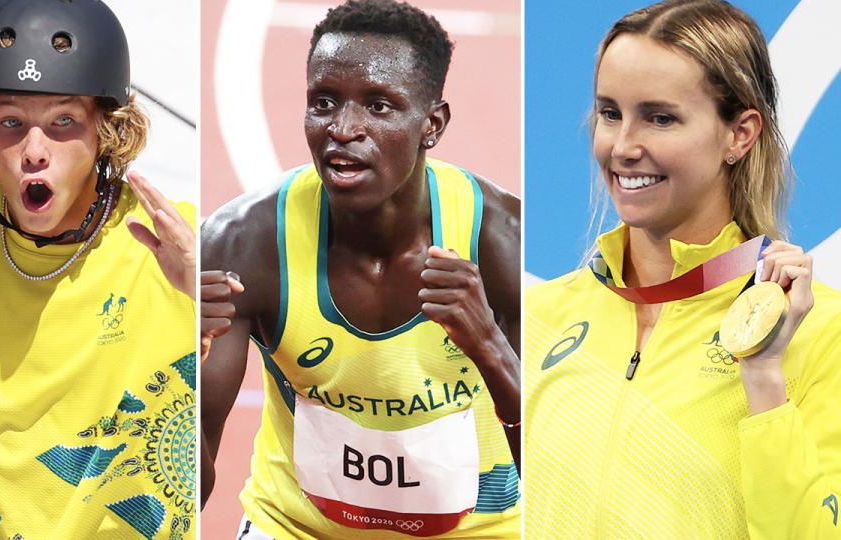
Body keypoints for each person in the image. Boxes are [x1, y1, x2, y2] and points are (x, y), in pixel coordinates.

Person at [198, 0, 520, 537]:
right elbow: (186, 487)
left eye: (379, 106)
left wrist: (490, 346)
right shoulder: (242, 244)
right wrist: (168, 368)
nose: (343, 129)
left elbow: (561, 476)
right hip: (297, 527)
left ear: (431, 125)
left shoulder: (501, 242)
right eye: (323, 102)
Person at [525, 0, 841, 537]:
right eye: (610, 113)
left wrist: (764, 378)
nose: (623, 146)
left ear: (739, 134)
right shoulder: (537, 317)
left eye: (660, 117)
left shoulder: (821, 332)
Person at [0, 0, 197, 537]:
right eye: (10, 122)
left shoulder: (175, 245)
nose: (35, 151)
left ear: (106, 129)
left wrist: (202, 292)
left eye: (63, 121)